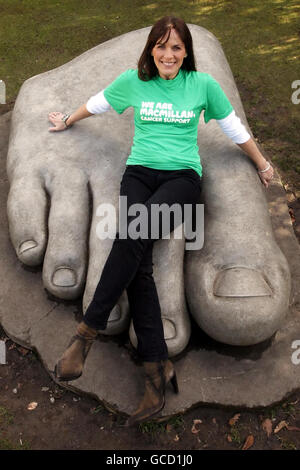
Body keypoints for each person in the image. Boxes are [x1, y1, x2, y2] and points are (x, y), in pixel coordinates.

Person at [48, 16, 274, 426]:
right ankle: (157, 371)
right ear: (151, 49)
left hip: (181, 179)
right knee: (140, 267)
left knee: (130, 237)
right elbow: (99, 102)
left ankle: (86, 334)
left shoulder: (202, 85)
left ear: (186, 52)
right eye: (161, 46)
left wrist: (260, 162)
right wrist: (67, 120)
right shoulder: (134, 80)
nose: (168, 55)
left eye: (176, 47)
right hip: (137, 174)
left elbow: (231, 126)